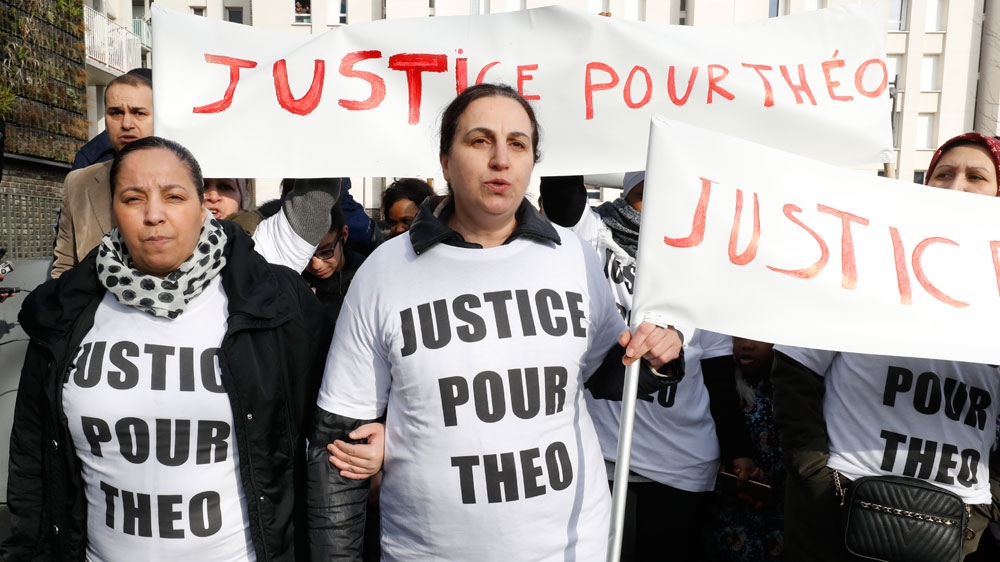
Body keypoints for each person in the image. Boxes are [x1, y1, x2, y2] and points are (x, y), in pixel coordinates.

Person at [306, 83, 685, 561]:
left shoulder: (574, 257)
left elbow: (607, 375)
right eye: (480, 140)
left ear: (531, 161)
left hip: (571, 547)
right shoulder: (383, 272)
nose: (501, 159)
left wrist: (656, 359)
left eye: (518, 144)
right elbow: (339, 448)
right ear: (445, 160)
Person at [3, 136, 383, 561]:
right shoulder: (63, 312)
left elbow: (343, 406)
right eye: (132, 198)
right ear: (114, 209)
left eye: (174, 196)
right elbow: (31, 468)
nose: (154, 215)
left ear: (201, 206)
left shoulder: (273, 302)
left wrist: (386, 434)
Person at [771, 131, 1000, 561]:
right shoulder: (866, 258)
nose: (956, 186)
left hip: (958, 521)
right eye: (944, 174)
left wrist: (990, 502)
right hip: (840, 504)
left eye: (976, 177)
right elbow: (795, 369)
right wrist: (816, 476)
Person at [540, 172, 758, 562]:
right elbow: (561, 197)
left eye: (668, 197)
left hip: (680, 463)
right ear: (624, 197)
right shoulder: (592, 239)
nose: (656, 209)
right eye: (643, 195)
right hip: (600, 456)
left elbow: (718, 373)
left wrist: (738, 450)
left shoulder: (703, 263)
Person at [53, 70, 154, 278]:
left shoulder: (189, 179)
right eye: (116, 113)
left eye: (139, 113)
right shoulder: (78, 183)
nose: (126, 124)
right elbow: (64, 264)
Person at [709, 337, 784, 562]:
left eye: (760, 338)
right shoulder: (719, 387)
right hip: (728, 509)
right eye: (738, 336)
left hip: (778, 509)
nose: (747, 345)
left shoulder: (786, 389)